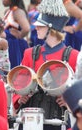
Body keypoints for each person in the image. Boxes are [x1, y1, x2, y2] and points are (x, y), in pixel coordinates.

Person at [12, 0, 79, 130]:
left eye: (40, 26)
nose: (36, 28)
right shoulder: (29, 53)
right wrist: (20, 98)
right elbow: (18, 85)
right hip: (30, 120)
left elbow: (79, 90)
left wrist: (69, 100)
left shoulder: (73, 56)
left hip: (58, 121)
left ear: (51, 29)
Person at [2, 0, 30, 69]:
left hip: (15, 46)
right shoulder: (8, 11)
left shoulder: (18, 11)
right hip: (9, 44)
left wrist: (20, 35)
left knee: (15, 69)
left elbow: (26, 28)